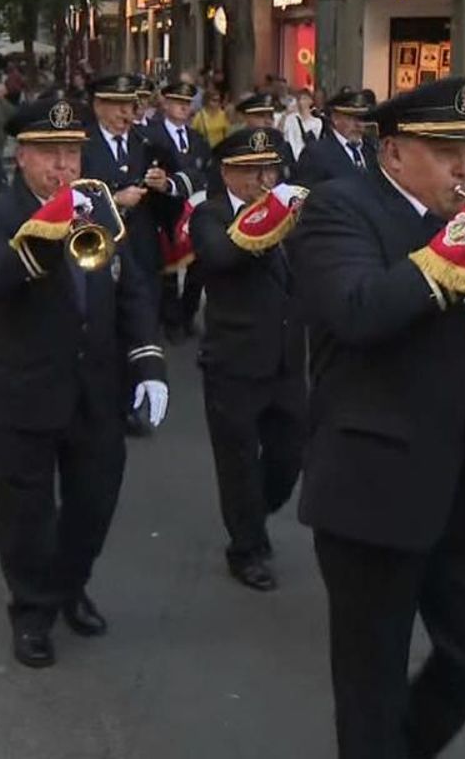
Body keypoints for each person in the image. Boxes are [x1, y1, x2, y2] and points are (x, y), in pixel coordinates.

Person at [295, 76, 465, 759]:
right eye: (447, 151)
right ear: (393, 152)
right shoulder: (340, 209)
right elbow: (359, 310)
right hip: (373, 483)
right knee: (371, 683)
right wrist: (464, 248)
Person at [0, 96, 168, 669]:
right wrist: (50, 229)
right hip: (23, 389)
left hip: (94, 389)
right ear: (22, 157)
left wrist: (149, 363)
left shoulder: (99, 208)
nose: (64, 168)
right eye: (51, 154)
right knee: (26, 515)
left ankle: (69, 584)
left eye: (73, 154)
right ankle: (32, 611)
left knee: (92, 505)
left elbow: (130, 289)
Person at [190, 128, 306, 591]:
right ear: (227, 173)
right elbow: (219, 257)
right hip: (234, 360)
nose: (263, 178)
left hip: (285, 356)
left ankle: (254, 514)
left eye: (270, 169)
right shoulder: (210, 214)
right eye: (251, 170)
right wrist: (264, 219)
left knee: (289, 454)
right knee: (237, 460)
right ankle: (247, 548)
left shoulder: (291, 219)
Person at [81, 73, 192, 393]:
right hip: (98, 249)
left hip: (142, 250)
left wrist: (165, 184)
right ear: (98, 106)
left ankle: (138, 388)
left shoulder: (148, 144)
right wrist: (113, 200)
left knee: (141, 321)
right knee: (103, 324)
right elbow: (69, 195)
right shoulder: (83, 144)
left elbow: (186, 179)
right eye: (116, 106)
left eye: (129, 106)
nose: (124, 115)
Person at [143, 80, 212, 343]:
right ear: (166, 104)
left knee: (198, 266)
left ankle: (187, 313)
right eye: (178, 103)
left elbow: (206, 171)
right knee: (169, 269)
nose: (184, 108)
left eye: (187, 104)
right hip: (164, 212)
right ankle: (171, 321)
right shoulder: (151, 136)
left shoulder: (197, 139)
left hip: (195, 212)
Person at [299, 86, 376, 187]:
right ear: (335, 118)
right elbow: (304, 193)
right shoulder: (316, 153)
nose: (358, 124)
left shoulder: (372, 150)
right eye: (351, 118)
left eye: (362, 119)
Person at [280, 87, 322, 159]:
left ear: (310, 101)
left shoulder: (317, 122)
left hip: (307, 158)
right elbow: (281, 131)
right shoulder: (291, 118)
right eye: (299, 99)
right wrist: (286, 113)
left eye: (304, 99)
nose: (301, 102)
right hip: (291, 158)